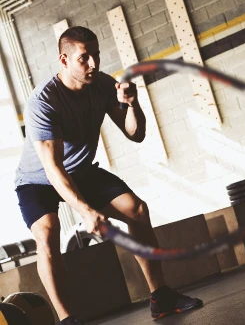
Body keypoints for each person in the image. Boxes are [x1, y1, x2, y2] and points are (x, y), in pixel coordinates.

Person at [14, 26, 203, 325]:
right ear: (64, 60)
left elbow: (135, 134)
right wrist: (86, 211)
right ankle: (66, 319)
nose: (93, 64)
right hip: (38, 180)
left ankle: (161, 298)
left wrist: (131, 103)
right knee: (47, 233)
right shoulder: (44, 100)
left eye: (96, 56)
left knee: (137, 210)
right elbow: (53, 168)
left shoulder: (102, 85)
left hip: (80, 170)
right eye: (84, 58)